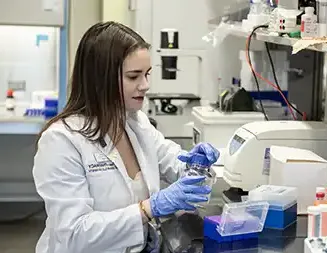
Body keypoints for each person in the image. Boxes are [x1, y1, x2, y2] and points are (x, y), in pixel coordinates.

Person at [32, 21, 219, 253]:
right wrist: (148, 209)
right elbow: (74, 234)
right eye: (133, 77)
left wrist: (196, 167)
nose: (145, 85)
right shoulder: (61, 141)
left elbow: (173, 162)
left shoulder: (135, 122)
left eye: (147, 74)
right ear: (101, 79)